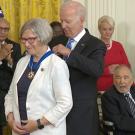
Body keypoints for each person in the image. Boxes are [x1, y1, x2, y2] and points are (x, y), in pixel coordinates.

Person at [4, 18, 73, 135]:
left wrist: (38, 123)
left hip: (45, 131)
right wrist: (10, 118)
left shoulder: (57, 64)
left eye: (30, 39)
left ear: (43, 37)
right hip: (18, 131)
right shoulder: (22, 62)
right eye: (23, 39)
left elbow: (65, 103)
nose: (26, 44)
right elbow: (11, 94)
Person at [52, 1, 106, 135]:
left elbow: (97, 69)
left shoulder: (96, 44)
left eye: (67, 21)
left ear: (81, 20)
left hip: (81, 115)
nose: (63, 25)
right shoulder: (55, 41)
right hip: (54, 112)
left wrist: (69, 53)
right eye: (61, 20)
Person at [97, 15, 130, 93]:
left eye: (110, 29)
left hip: (120, 86)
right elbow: (91, 69)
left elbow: (127, 66)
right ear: (99, 29)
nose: (108, 32)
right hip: (103, 88)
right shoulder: (95, 46)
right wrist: (107, 70)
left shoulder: (118, 45)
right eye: (104, 29)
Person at [0, 18, 21, 135]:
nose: (3, 32)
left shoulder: (15, 46)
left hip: (8, 93)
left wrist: (10, 61)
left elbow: (19, 71)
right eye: (0, 29)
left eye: (6, 29)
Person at [101, 64, 135, 135]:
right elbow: (119, 121)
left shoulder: (133, 90)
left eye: (125, 78)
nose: (122, 81)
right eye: (118, 77)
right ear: (113, 80)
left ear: (132, 80)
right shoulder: (108, 96)